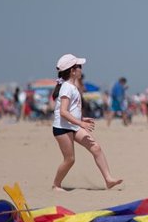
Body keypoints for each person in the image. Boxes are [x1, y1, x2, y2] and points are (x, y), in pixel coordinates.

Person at [51, 54, 122, 191]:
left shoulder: (73, 87)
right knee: (70, 159)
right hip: (62, 128)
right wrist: (81, 123)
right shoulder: (66, 87)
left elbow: (71, 110)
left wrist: (81, 119)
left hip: (73, 125)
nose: (81, 69)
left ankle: (108, 180)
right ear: (72, 70)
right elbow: (63, 112)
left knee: (96, 148)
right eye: (79, 67)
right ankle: (56, 184)